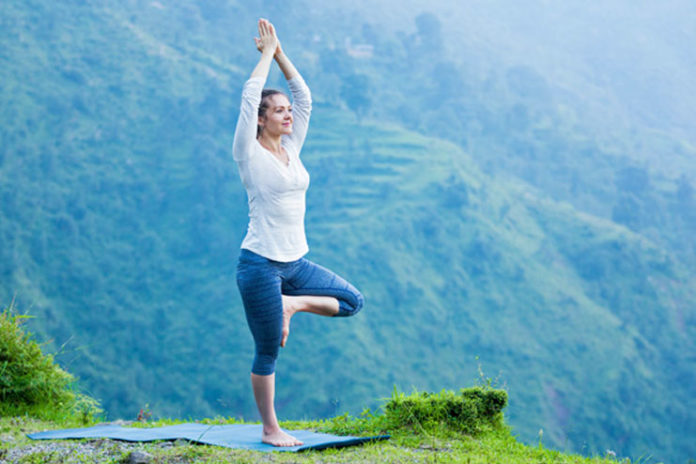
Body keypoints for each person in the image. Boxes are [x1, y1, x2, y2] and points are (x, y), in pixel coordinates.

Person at [232, 19, 364, 447]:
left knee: (351, 301)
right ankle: (270, 429)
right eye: (279, 110)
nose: (288, 114)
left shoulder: (292, 148)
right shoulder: (247, 153)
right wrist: (265, 58)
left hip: (296, 264)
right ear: (260, 120)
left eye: (287, 111)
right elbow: (249, 96)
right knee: (267, 350)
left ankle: (293, 305)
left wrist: (282, 53)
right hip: (259, 266)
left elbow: (305, 98)